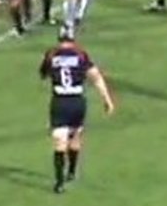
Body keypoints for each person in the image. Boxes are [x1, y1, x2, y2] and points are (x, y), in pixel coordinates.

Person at [39, 28, 115, 194]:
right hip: (77, 101)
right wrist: (107, 100)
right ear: (73, 40)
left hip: (59, 100)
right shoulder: (81, 55)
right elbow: (96, 77)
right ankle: (72, 171)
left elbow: (43, 74)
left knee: (59, 141)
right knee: (75, 135)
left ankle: (59, 183)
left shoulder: (51, 55)